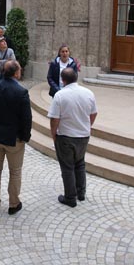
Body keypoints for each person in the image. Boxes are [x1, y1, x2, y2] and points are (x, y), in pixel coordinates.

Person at [0, 60, 31, 215]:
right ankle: (14, 203)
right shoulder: (21, 92)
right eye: (20, 69)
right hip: (14, 139)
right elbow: (26, 119)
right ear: (16, 72)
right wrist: (25, 137)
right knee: (15, 171)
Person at [47, 68, 97, 207]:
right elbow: (94, 113)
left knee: (67, 167)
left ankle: (70, 197)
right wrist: (87, 126)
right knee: (80, 163)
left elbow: (54, 119)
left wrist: (53, 134)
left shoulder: (60, 95)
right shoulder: (89, 93)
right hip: (83, 135)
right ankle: (81, 193)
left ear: (63, 80)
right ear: (76, 77)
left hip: (66, 136)